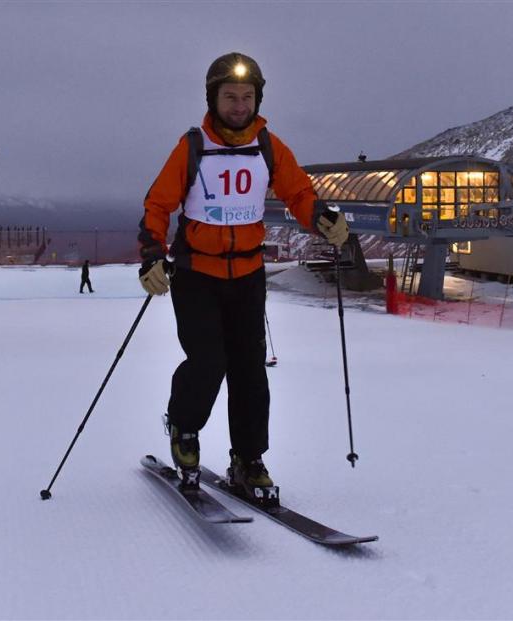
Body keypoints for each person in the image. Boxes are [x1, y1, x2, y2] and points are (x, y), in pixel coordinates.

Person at [137, 52, 349, 499]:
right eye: (230, 96)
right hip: (197, 274)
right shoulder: (193, 146)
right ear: (213, 98)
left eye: (246, 96)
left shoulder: (269, 146)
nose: (238, 105)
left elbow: (298, 192)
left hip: (248, 275)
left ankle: (248, 459)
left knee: (251, 370)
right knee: (208, 361)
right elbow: (158, 204)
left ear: (257, 100)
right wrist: (153, 255)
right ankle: (184, 428)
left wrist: (322, 217)